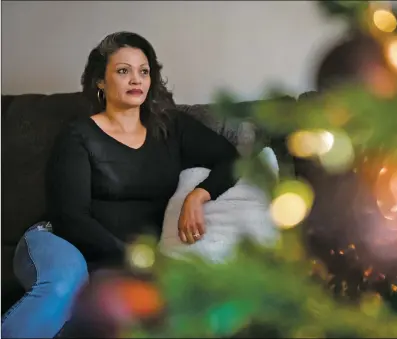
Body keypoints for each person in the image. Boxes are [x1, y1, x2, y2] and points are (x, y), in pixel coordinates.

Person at [1, 31, 239, 338]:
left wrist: (198, 195)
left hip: (122, 259)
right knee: (66, 284)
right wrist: (132, 260)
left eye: (143, 71)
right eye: (123, 71)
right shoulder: (78, 135)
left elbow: (231, 159)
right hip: (58, 241)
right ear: (100, 80)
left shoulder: (172, 129)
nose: (136, 80)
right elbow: (71, 218)